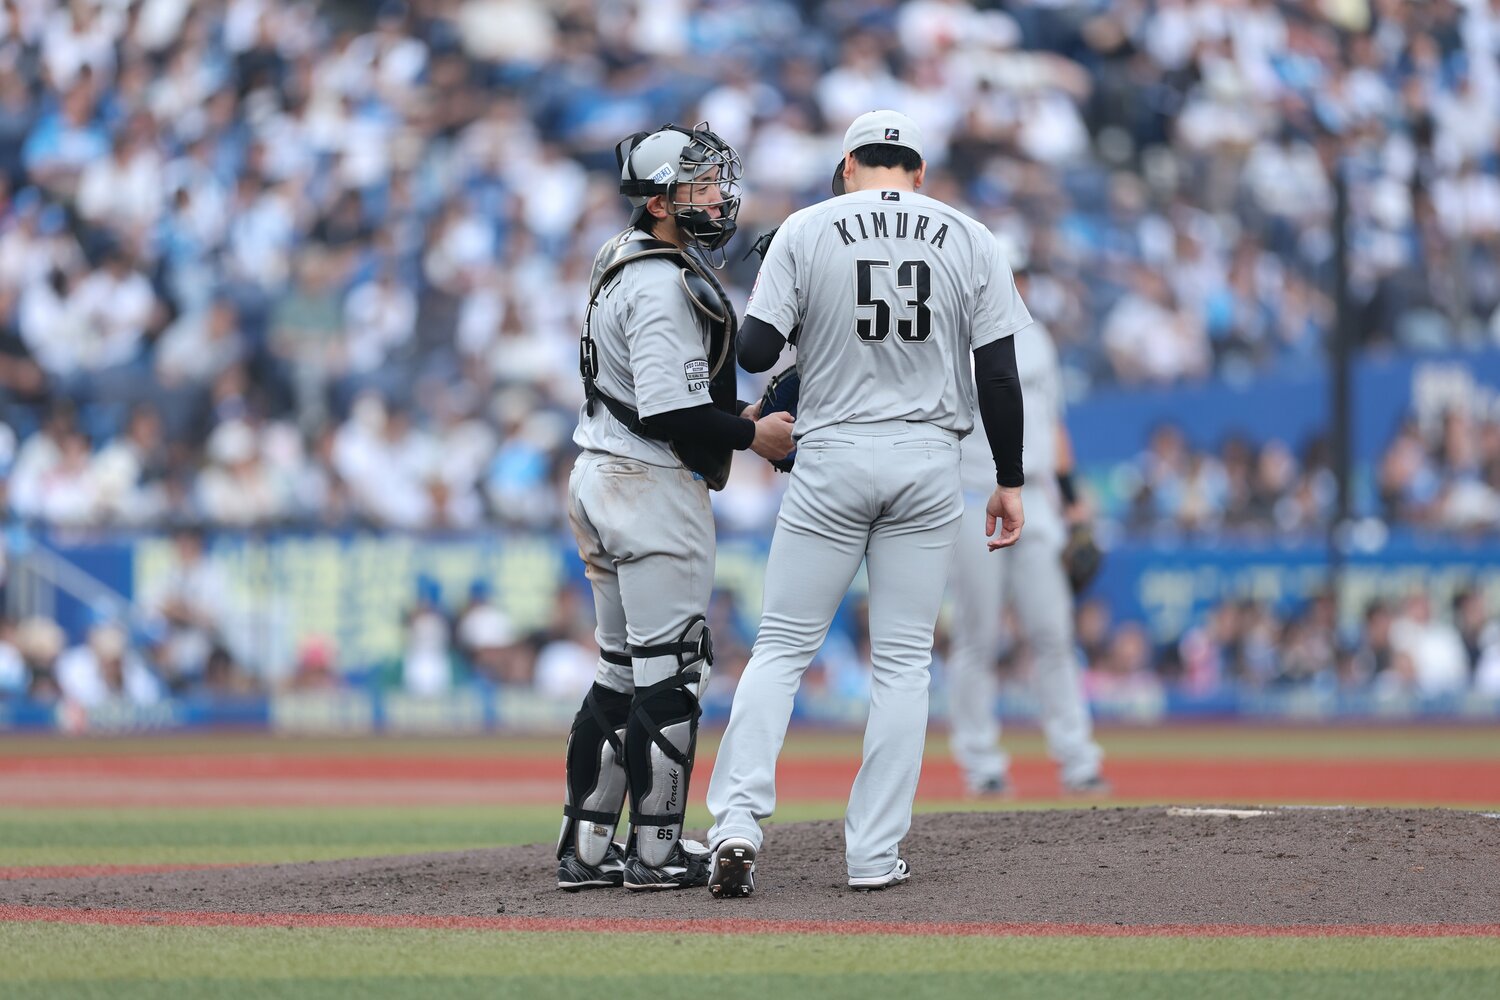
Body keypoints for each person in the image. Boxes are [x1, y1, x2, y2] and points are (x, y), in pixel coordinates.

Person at [704, 110, 1028, 898]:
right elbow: (999, 377)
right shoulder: (971, 235)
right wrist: (1010, 479)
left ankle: (737, 825)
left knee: (781, 649)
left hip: (833, 454)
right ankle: (873, 856)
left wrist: (795, 315)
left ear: (847, 166)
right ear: (918, 172)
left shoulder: (808, 229)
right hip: (925, 460)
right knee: (904, 664)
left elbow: (752, 354)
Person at [554, 122, 796, 892]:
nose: (718, 197)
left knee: (621, 671)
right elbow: (668, 412)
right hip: (648, 486)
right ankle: (656, 853)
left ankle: (587, 850)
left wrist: (736, 418)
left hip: (599, 472)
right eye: (697, 185)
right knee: (673, 674)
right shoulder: (662, 282)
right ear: (660, 201)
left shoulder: (618, 255)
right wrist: (752, 435)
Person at [946, 268, 1107, 797]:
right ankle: (981, 763)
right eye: (1010, 273)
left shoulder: (1037, 338)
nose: (1019, 284)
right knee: (978, 637)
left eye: (1024, 275)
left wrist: (1074, 493)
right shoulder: (954, 336)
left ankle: (1078, 758)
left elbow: (1052, 423)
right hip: (974, 495)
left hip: (1036, 494)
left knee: (1054, 633)